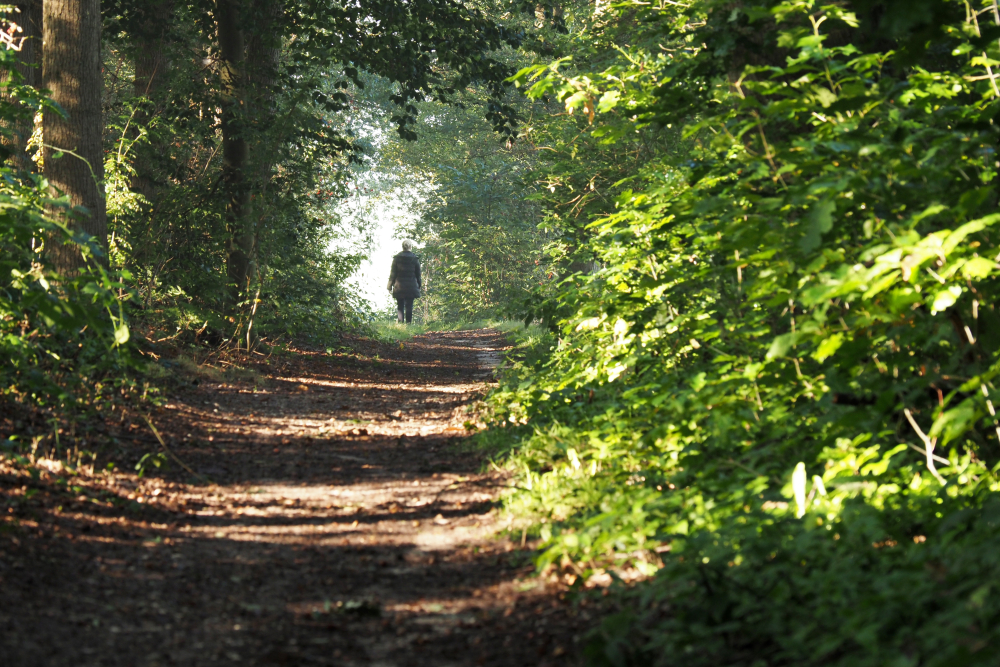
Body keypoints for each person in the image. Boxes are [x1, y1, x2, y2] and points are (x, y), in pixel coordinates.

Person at [387, 240, 421, 324]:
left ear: (403, 247)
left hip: (399, 286)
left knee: (400, 305)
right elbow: (418, 275)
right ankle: (408, 323)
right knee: (409, 306)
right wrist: (419, 285)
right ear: (410, 247)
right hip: (411, 285)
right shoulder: (415, 258)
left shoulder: (397, 258)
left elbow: (393, 274)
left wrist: (389, 286)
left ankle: (400, 323)